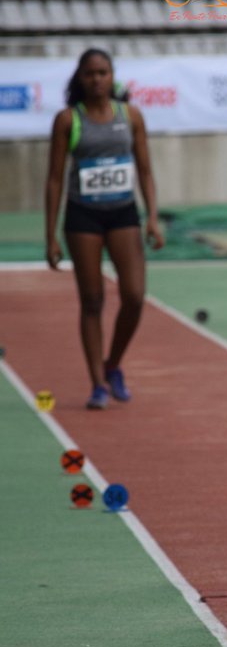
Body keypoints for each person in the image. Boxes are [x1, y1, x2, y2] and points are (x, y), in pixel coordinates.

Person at [43, 48, 164, 410]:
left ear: (113, 77)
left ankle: (112, 364)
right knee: (92, 300)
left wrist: (153, 217)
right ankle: (97, 383)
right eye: (90, 74)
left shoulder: (131, 116)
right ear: (80, 79)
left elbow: (144, 170)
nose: (97, 80)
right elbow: (53, 180)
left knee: (134, 295)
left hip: (123, 212)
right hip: (83, 216)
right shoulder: (68, 120)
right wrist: (50, 235)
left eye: (103, 73)